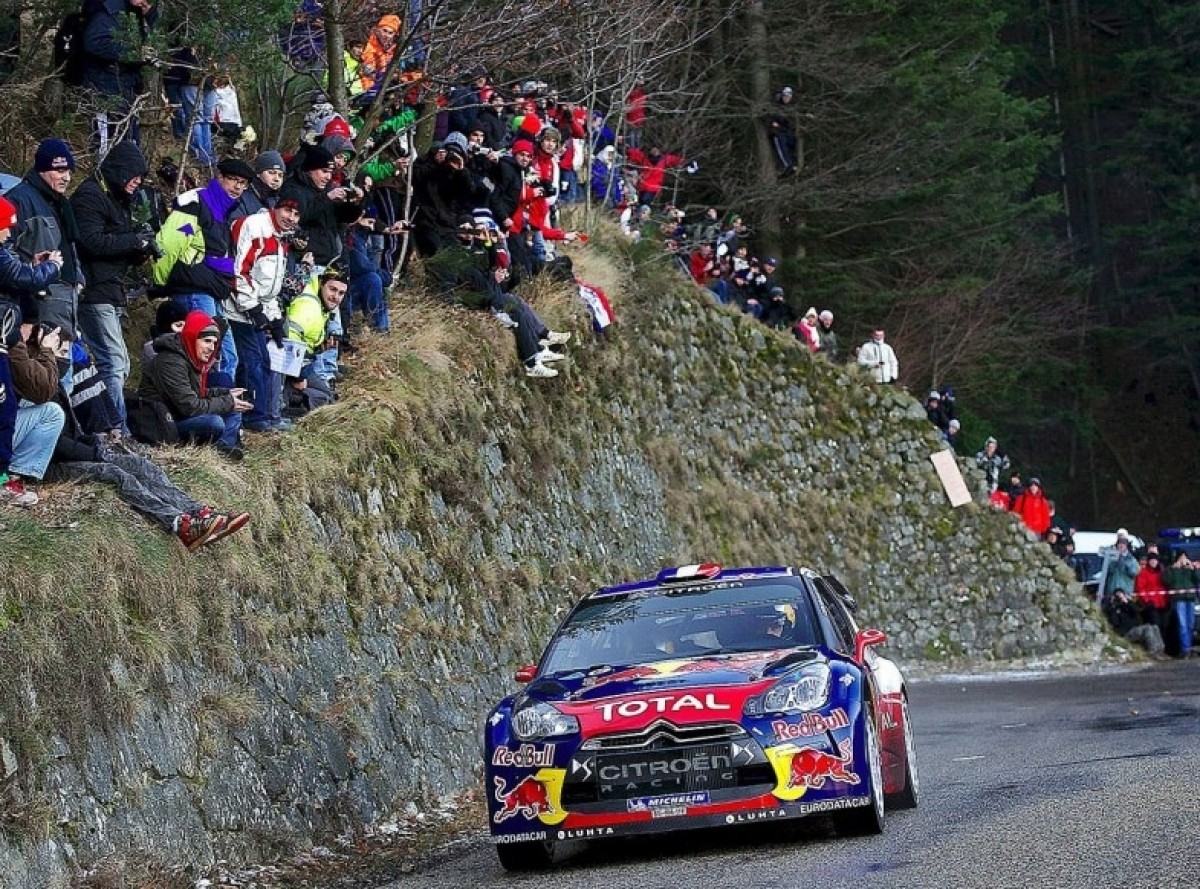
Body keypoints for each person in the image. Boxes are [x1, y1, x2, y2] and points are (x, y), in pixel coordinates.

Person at [71, 140, 154, 433]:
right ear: (120, 170)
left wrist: (138, 251)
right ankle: (116, 432)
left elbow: (112, 245)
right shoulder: (90, 196)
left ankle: (111, 427)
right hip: (93, 291)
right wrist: (134, 241)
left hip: (109, 289)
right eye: (135, 175)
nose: (138, 182)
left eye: (141, 177)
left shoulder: (117, 198)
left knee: (120, 364)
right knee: (114, 362)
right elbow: (91, 242)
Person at [225, 197, 300, 432]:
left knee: (265, 362)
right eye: (287, 210)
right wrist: (254, 309)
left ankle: (264, 414)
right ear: (275, 208)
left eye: (296, 214)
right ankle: (253, 418)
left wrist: (275, 318)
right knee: (252, 363)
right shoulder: (256, 227)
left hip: (256, 308)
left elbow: (268, 287)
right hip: (236, 309)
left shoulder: (281, 238)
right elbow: (239, 272)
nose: (291, 218)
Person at [139, 310, 251, 460]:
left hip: (178, 415)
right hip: (164, 423)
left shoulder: (189, 355)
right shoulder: (171, 362)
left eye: (214, 343)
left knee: (233, 405)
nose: (212, 348)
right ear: (192, 337)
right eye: (207, 341)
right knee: (214, 422)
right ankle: (220, 449)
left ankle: (225, 446)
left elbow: (198, 394)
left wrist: (226, 394)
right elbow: (190, 407)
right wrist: (227, 401)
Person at [6, 139, 85, 338]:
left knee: (60, 356)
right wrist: (33, 278)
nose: (67, 178)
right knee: (43, 357)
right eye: (60, 171)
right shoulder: (19, 199)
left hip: (65, 301)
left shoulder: (60, 203)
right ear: (42, 169)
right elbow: (5, 253)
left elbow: (68, 246)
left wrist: (78, 278)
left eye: (69, 172)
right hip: (38, 305)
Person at [80, 0, 160, 152]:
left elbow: (158, 41)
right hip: (105, 89)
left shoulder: (136, 13)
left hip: (127, 89)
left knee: (128, 143)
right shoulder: (108, 12)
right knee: (106, 146)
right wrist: (134, 53)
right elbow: (94, 42)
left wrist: (150, 15)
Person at [2, 321, 67, 506]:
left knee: (41, 408)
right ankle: (4, 479)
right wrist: (47, 351)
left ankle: (13, 476)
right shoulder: (11, 343)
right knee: (51, 414)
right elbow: (43, 389)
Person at [1162, 551, 1198, 658]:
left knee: (1191, 624)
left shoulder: (1190, 569)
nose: (1183, 560)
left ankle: (1189, 647)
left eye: (1185, 557)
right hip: (1179, 599)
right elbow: (1166, 580)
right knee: (1183, 625)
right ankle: (1185, 649)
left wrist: (1193, 569)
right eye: (1181, 557)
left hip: (1190, 598)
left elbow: (1198, 579)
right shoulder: (1172, 569)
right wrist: (1173, 568)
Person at [1133, 551, 1170, 645]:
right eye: (1151, 560)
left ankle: (1164, 646)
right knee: (1155, 626)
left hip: (1163, 603)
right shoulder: (1143, 573)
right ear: (1148, 562)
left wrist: (1167, 600)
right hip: (1151, 604)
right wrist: (1146, 601)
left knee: (1164, 625)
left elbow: (1166, 587)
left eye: (1155, 560)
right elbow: (1140, 588)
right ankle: (1156, 645)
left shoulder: (1162, 572)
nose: (1153, 562)